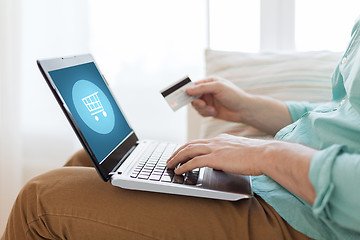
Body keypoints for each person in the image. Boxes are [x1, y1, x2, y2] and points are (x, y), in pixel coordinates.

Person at [2, 20, 360, 240]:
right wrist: (246, 107)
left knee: (39, 202)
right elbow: (341, 114)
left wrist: (265, 154)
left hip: (312, 219)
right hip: (285, 187)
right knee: (93, 160)